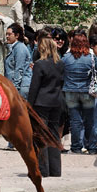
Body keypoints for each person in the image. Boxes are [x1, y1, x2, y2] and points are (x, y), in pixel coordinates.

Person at [61, 32, 97, 154]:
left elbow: (60, 73)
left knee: (75, 121)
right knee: (89, 120)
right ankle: (92, 147)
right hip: (87, 91)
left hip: (70, 91)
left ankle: (76, 147)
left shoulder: (66, 58)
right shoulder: (91, 58)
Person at [28, 37, 65, 177]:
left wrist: (28, 106)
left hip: (41, 102)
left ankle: (43, 169)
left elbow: (34, 87)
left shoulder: (39, 64)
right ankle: (56, 170)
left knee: (41, 135)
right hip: (56, 101)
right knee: (54, 135)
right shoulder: (60, 63)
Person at [4, 23, 33, 99]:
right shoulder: (14, 48)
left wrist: (15, 88)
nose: (7, 36)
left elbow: (19, 69)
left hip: (21, 87)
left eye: (9, 34)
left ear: (17, 35)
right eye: (6, 34)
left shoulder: (20, 48)